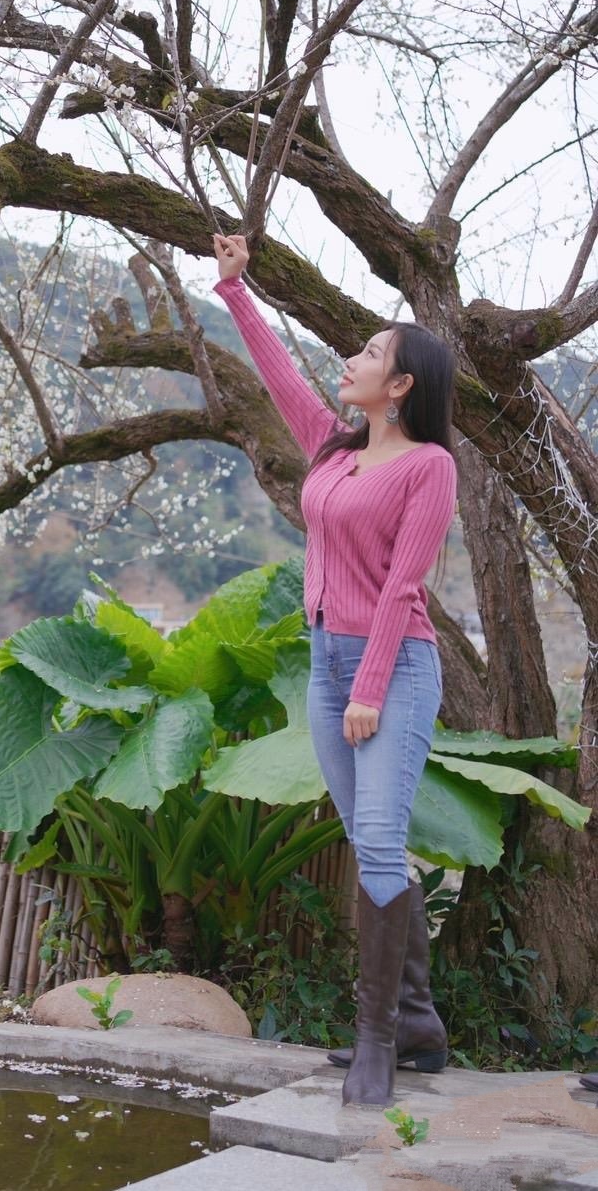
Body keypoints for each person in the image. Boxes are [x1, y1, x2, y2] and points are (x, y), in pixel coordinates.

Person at [213, 233, 458, 1107]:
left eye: (368, 354)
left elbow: (403, 588)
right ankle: (422, 1017)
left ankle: (378, 1042)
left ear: (402, 387)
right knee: (370, 843)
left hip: (394, 667)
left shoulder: (430, 467)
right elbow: (282, 378)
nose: (348, 361)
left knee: (381, 844)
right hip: (326, 663)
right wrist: (239, 290)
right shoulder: (334, 451)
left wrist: (368, 689)